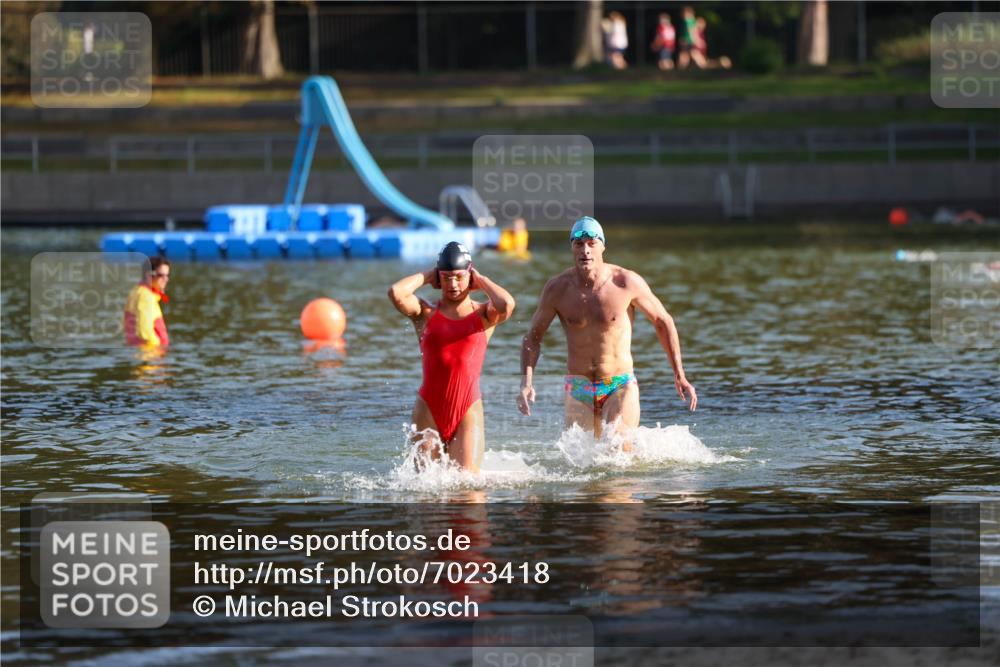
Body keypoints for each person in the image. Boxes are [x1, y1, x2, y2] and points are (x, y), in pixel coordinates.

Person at [518, 217, 696, 452]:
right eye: (578, 244)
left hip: (619, 385)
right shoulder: (557, 289)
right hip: (578, 387)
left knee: (616, 453)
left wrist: (679, 374)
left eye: (591, 243)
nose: (585, 250)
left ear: (602, 245)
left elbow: (663, 322)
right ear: (572, 247)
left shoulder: (625, 282)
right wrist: (526, 382)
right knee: (583, 465)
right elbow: (533, 337)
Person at [388, 242, 515, 473]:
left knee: (469, 491)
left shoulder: (484, 315)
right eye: (446, 277)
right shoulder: (425, 314)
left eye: (459, 277)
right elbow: (396, 293)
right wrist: (428, 276)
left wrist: (482, 280)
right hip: (428, 410)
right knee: (426, 493)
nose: (453, 284)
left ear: (470, 276)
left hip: (467, 410)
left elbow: (507, 304)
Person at [124, 257, 170, 347]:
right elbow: (144, 332)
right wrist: (157, 352)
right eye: (161, 275)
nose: (166, 279)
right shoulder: (146, 297)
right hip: (151, 355)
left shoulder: (137, 291)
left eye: (167, 275)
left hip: (139, 352)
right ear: (149, 275)